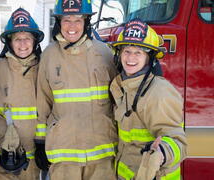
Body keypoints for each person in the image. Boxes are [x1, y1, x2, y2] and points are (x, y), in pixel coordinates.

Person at [34, 0, 118, 179]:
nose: (72, 26)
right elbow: (43, 101)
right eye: (66, 20)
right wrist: (40, 141)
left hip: (101, 153)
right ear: (59, 22)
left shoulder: (104, 53)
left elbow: (118, 99)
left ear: (86, 22)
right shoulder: (49, 55)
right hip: (64, 154)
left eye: (78, 20)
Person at [109, 18, 187, 179]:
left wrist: (163, 152)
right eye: (127, 51)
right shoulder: (123, 87)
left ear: (149, 58)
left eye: (138, 52)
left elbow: (179, 143)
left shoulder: (159, 92)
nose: (131, 58)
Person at [0, 8, 44, 180]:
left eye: (27, 38)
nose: (22, 44)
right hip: (0, 157)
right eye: (17, 39)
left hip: (33, 159)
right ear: (9, 42)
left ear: (34, 41)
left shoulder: (44, 69)